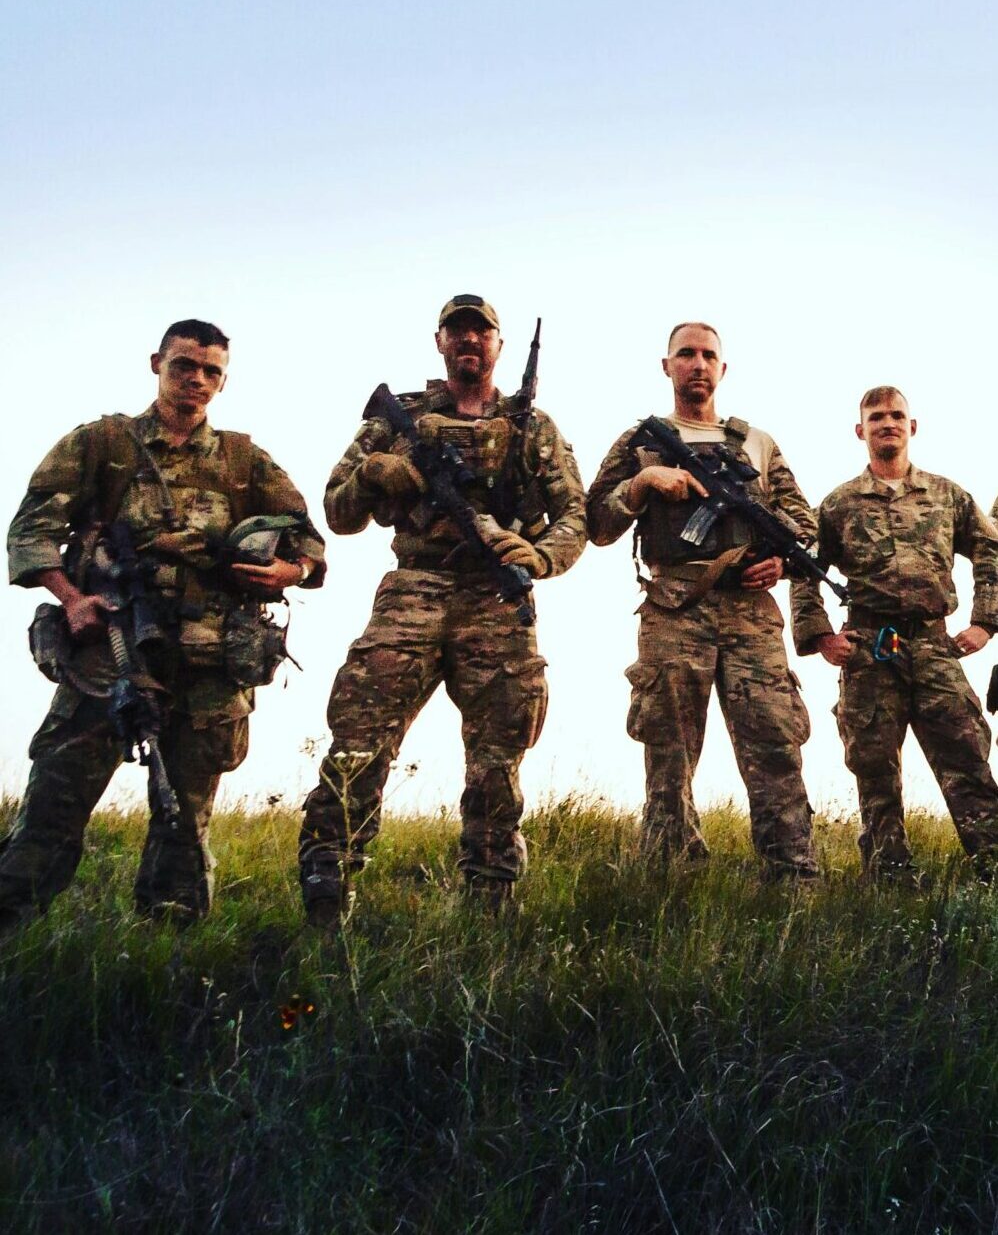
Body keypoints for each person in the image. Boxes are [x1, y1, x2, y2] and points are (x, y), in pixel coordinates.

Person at [1, 319, 326, 929]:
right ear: (157, 363)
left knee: (185, 820)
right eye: (184, 366)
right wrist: (72, 598)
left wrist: (289, 569)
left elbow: (308, 539)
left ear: (223, 382)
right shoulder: (103, 444)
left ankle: (171, 954)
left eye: (211, 372)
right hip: (111, 653)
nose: (196, 380)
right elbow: (31, 531)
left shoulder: (243, 459)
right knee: (53, 802)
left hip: (209, 665)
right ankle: (13, 936)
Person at [299, 294, 586, 926]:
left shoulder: (531, 426)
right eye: (457, 332)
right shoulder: (398, 417)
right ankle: (327, 886)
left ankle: (489, 901)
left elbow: (574, 517)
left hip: (496, 597)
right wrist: (377, 473)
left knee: (497, 761)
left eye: (481, 333)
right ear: (439, 342)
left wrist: (536, 557)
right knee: (358, 743)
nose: (469, 343)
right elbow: (338, 513)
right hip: (413, 591)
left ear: (498, 347)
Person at [586, 321, 818, 879]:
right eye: (685, 354)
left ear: (723, 368)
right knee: (668, 751)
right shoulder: (642, 440)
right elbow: (595, 522)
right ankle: (670, 876)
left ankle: (792, 878)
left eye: (708, 355)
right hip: (673, 609)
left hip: (751, 614)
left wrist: (784, 559)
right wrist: (641, 485)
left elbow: (805, 522)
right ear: (666, 366)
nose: (697, 364)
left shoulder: (757, 444)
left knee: (774, 745)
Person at [791, 385, 998, 879]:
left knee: (967, 762)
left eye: (897, 415)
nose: (888, 423)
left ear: (912, 427)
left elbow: (991, 549)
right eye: (877, 416)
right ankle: (890, 877)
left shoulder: (947, 496)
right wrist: (821, 636)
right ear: (860, 431)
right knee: (875, 770)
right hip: (870, 650)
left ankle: (993, 866)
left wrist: (985, 622)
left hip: (934, 646)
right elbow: (804, 570)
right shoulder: (839, 505)